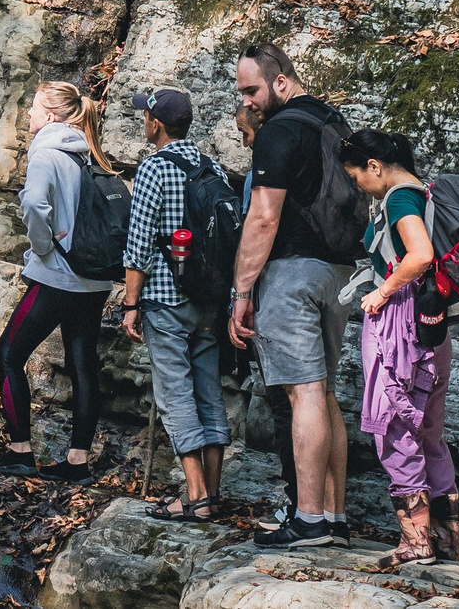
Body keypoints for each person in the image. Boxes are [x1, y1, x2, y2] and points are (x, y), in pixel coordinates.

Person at [229, 43, 358, 549]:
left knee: (302, 393)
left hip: (291, 273)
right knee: (323, 393)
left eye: (252, 90)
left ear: (280, 81)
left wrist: (242, 291)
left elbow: (264, 218)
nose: (247, 101)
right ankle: (333, 517)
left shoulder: (279, 131)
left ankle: (307, 520)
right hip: (340, 274)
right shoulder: (335, 124)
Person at [0, 81, 118, 483]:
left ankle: (20, 452)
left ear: (52, 116)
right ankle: (77, 462)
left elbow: (33, 202)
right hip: (93, 280)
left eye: (35, 107)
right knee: (83, 365)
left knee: (8, 354)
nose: (29, 113)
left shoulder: (46, 152)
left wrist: (42, 247)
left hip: (58, 275)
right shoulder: (86, 153)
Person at [343, 129, 459, 565]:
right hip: (432, 325)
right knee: (430, 434)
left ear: (374, 166)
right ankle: (447, 543)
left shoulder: (399, 199)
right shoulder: (426, 192)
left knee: (394, 426)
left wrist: (382, 291)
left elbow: (420, 254)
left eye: (356, 176)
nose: (359, 186)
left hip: (400, 327)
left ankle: (416, 542)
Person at [120, 86, 231, 519]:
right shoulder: (212, 166)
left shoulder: (154, 168)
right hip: (209, 299)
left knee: (175, 396)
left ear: (156, 124)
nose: (143, 123)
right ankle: (214, 494)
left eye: (145, 117)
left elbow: (139, 243)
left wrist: (131, 304)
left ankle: (196, 498)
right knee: (209, 392)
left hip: (166, 300)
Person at [234, 100, 301, 529]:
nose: (245, 144)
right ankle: (313, 505)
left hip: (270, 295)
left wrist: (241, 295)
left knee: (284, 404)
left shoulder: (263, 179)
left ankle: (297, 503)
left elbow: (257, 230)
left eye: (246, 135)